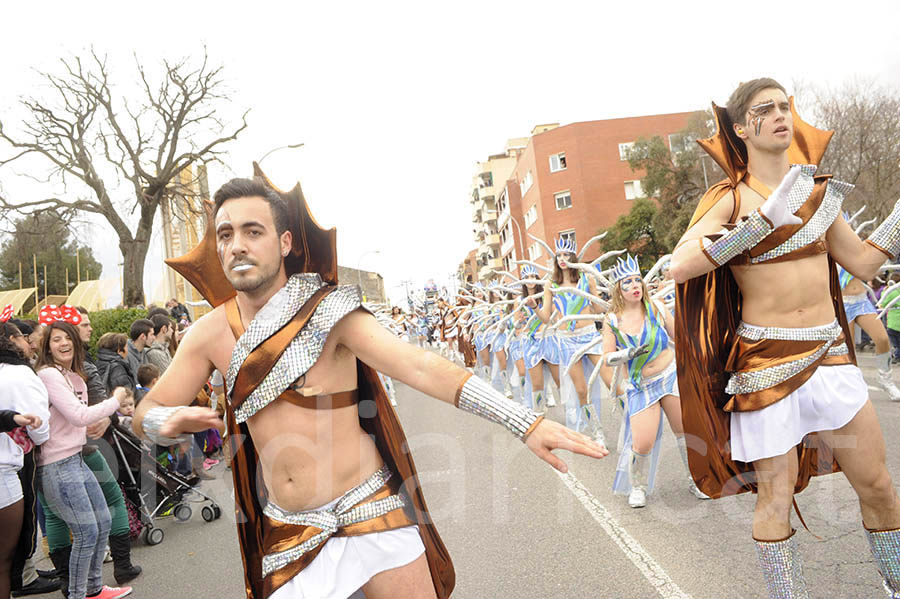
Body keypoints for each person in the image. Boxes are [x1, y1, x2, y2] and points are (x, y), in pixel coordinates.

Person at [134, 170, 606, 599]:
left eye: (252, 231)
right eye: (225, 234)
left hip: (370, 510)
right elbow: (143, 413)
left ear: (283, 243)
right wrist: (162, 418)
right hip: (290, 532)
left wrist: (524, 422)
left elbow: (418, 366)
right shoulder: (208, 334)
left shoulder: (328, 311)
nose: (237, 244)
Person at [670, 78, 900, 597]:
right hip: (767, 362)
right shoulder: (728, 199)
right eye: (764, 109)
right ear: (739, 128)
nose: (779, 115)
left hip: (832, 354)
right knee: (774, 499)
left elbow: (862, 262)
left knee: (880, 486)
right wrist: (760, 223)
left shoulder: (819, 194)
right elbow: (681, 267)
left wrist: (898, 218)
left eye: (784, 107)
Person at [34, 320, 134, 599]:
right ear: (47, 346)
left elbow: (84, 417)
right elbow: (79, 415)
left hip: (75, 458)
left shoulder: (71, 375)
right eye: (56, 339)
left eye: (68, 337)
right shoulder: (48, 374)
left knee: (102, 520)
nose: (63, 343)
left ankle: (93, 588)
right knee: (87, 532)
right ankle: (79, 594)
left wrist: (102, 416)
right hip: (56, 465)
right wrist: (116, 399)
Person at [600, 255, 707, 508]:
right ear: (618, 289)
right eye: (628, 282)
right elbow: (606, 358)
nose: (635, 286)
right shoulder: (612, 320)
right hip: (641, 385)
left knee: (685, 429)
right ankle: (637, 486)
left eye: (638, 280)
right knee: (642, 442)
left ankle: (696, 479)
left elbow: (679, 335)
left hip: (669, 376)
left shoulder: (656, 307)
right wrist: (626, 354)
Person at [0, 323, 53, 599]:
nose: (29, 341)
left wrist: (12, 418)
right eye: (22, 336)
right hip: (12, 460)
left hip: (11, 454)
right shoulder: (20, 373)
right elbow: (39, 425)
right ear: (11, 340)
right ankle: (24, 575)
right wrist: (23, 424)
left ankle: (26, 572)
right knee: (8, 551)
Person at [838, 263, 900, 399]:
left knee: (882, 339)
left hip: (861, 300)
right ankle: (851, 385)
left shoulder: (852, 249)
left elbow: (867, 272)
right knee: (849, 349)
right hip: (841, 302)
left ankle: (885, 380)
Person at [124, 320, 154, 384]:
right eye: (151, 335)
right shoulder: (126, 355)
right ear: (142, 336)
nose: (154, 338)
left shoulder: (143, 353)